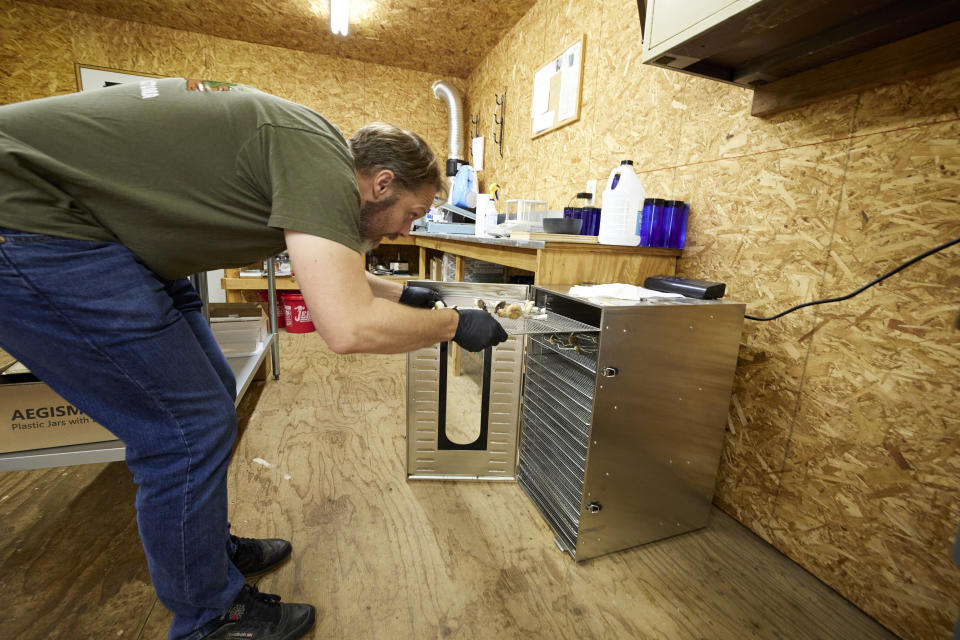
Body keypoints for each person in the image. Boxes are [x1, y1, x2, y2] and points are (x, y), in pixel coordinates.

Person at [0, 78, 507, 640]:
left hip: (109, 244)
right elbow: (347, 327)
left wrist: (403, 293)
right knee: (185, 430)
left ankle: (205, 555)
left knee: (212, 396)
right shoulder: (321, 166)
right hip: (30, 225)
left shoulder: (313, 157)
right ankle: (210, 617)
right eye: (411, 214)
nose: (407, 231)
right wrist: (456, 324)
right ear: (381, 183)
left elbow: (331, 269)